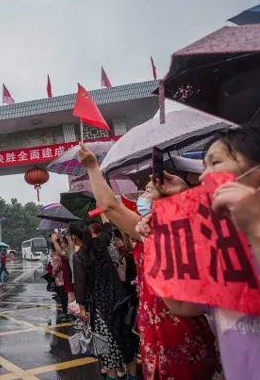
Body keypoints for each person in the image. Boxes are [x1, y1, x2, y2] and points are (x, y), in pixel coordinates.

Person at [137, 124, 260, 380]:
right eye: (204, 167)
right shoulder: (226, 250)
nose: (203, 178)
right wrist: (161, 236)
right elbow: (181, 304)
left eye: (215, 163)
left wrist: (258, 226)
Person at [78, 143, 218, 380]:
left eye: (147, 192)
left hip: (179, 327)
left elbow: (111, 206)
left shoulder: (177, 230)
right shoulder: (151, 230)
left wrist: (92, 166)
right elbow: (109, 206)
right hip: (157, 327)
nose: (142, 196)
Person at [73, 218, 134, 380]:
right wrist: (105, 213)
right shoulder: (101, 243)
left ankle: (112, 376)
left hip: (100, 307)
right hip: (119, 299)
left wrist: (82, 309)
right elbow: (108, 227)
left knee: (108, 351)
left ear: (74, 237)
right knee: (127, 343)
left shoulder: (79, 257)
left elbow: (80, 286)